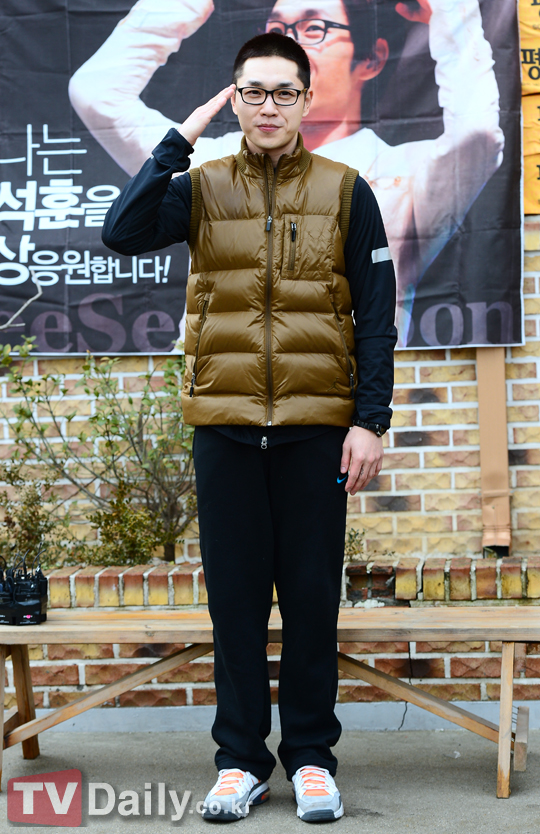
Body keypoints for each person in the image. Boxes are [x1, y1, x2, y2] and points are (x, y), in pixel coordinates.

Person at [102, 32, 396, 823]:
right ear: (235, 99)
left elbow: (376, 317)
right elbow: (121, 231)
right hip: (226, 428)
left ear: (306, 99)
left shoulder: (346, 191)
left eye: (283, 92)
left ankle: (311, 759)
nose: (269, 106)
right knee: (234, 608)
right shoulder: (200, 188)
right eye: (254, 92)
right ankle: (239, 762)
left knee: (310, 605)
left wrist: (370, 421)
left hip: (315, 431)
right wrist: (178, 140)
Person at [70, 0, 504, 346]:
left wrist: (451, 12)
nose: (288, 47)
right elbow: (97, 93)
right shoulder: (211, 163)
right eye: (277, 30)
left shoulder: (400, 176)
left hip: (326, 399)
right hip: (223, 400)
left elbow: (478, 136)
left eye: (314, 28)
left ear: (371, 59)